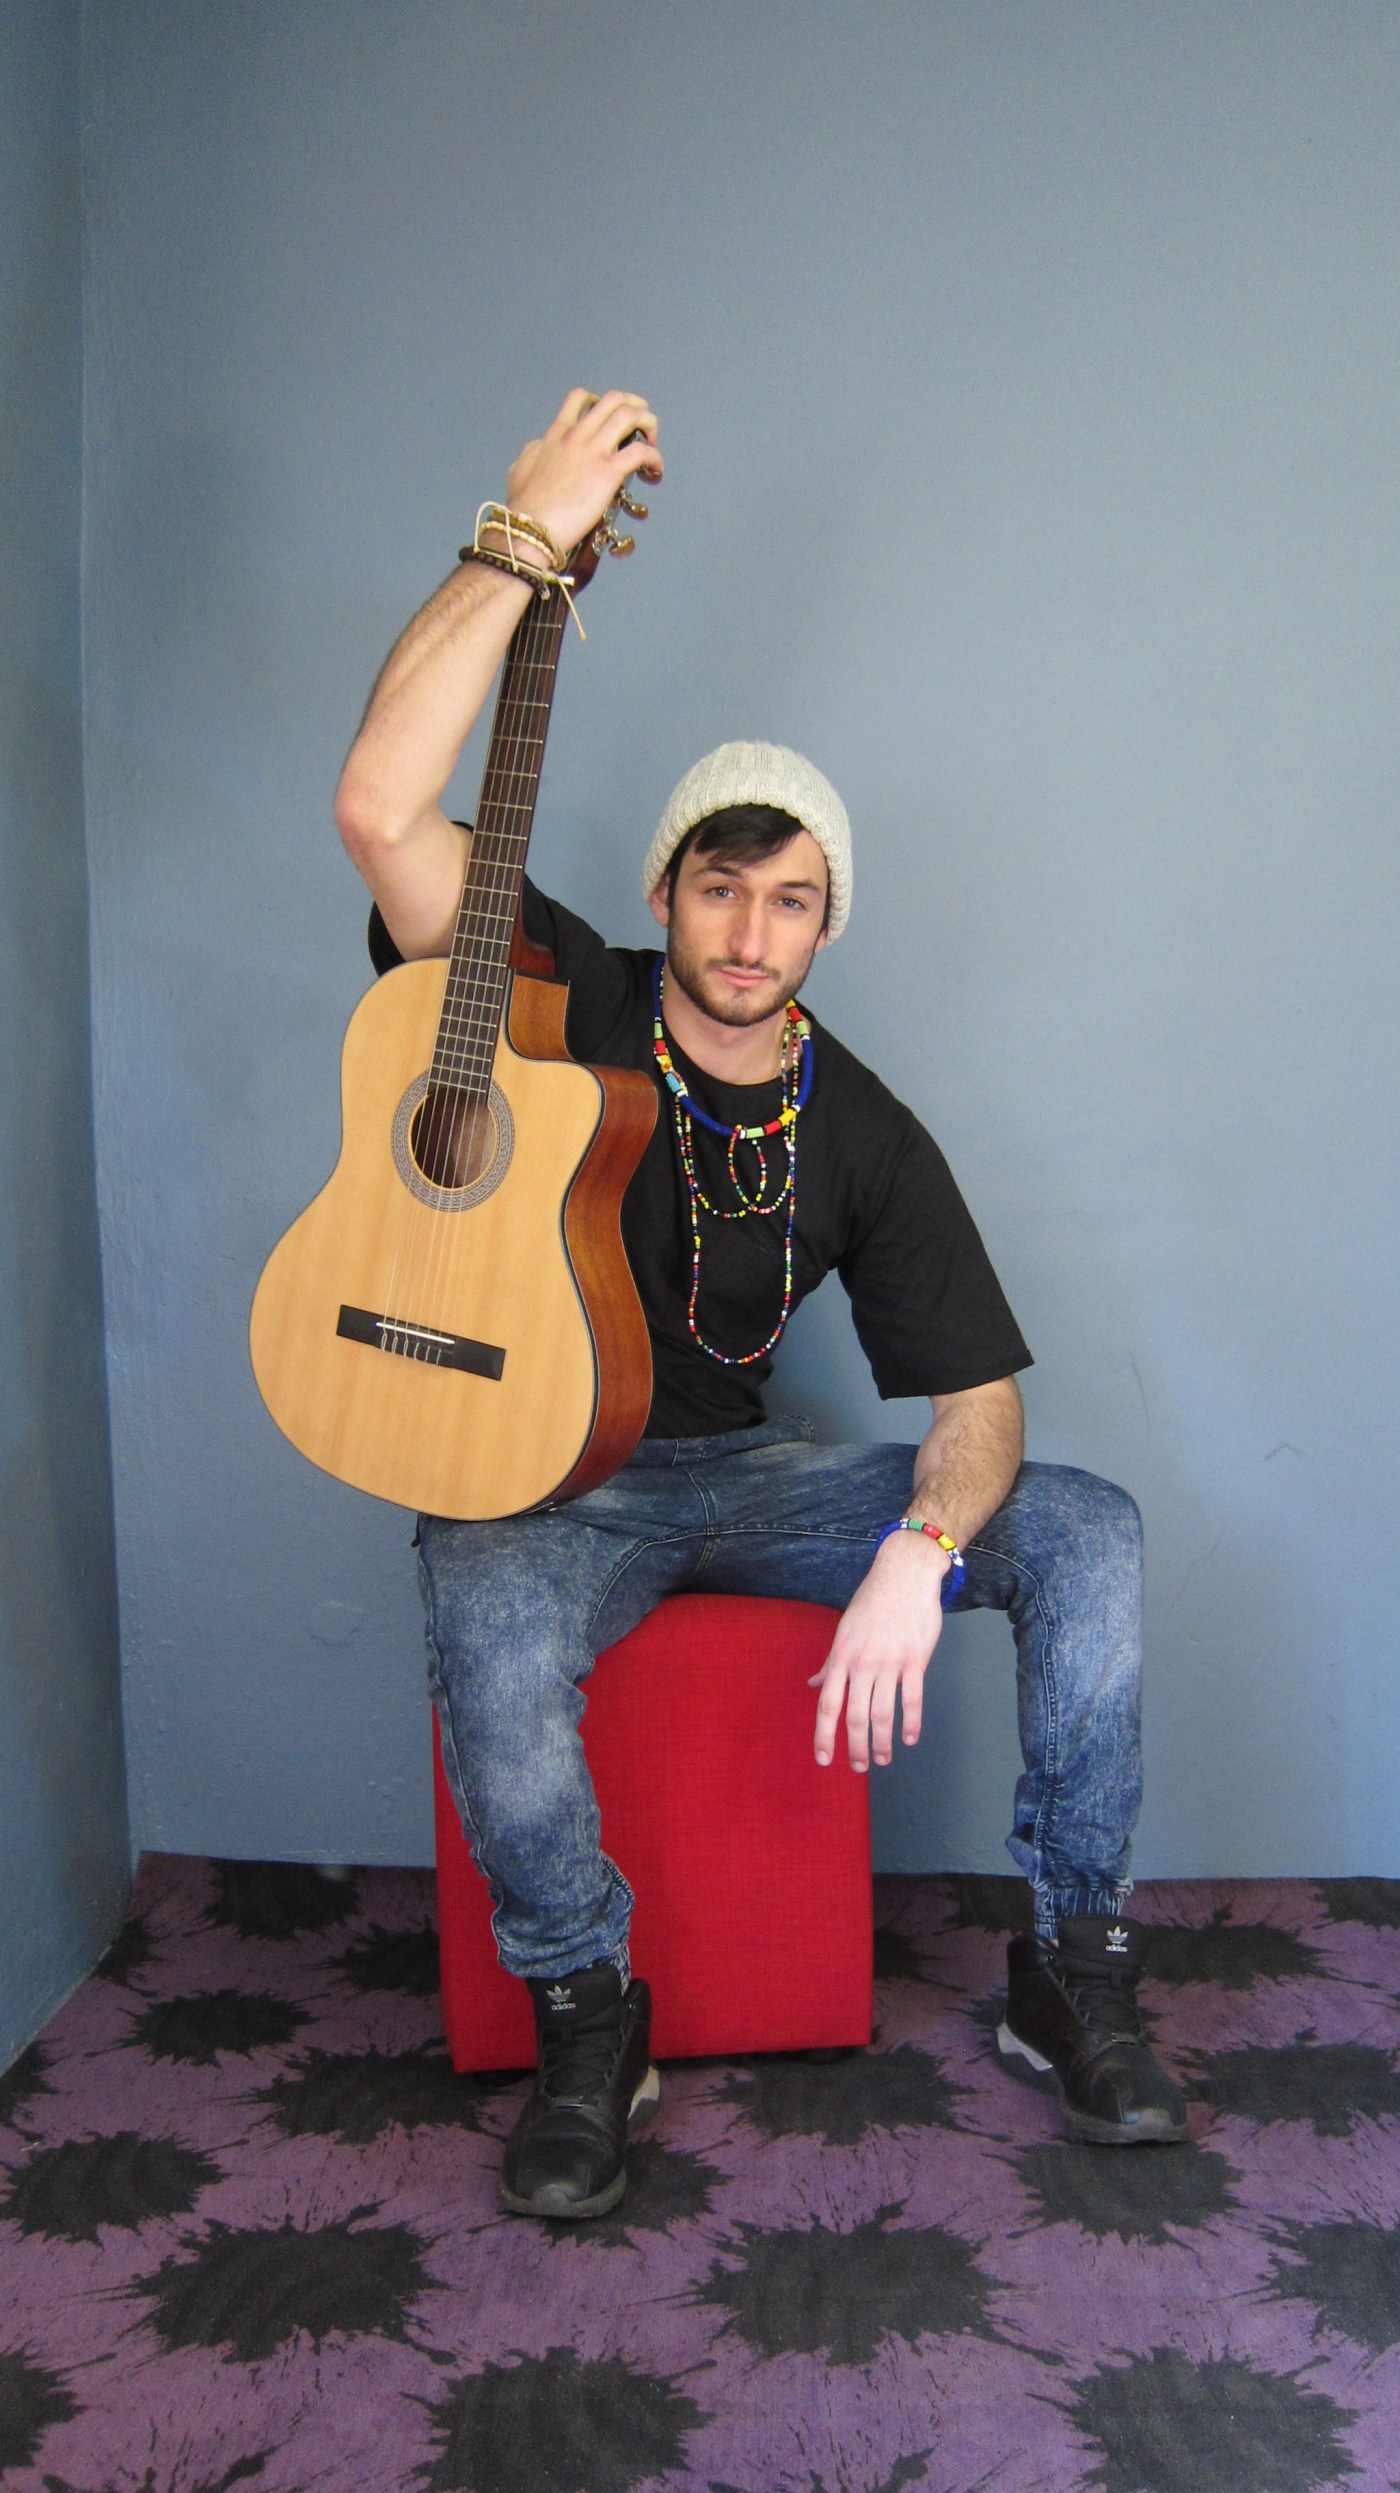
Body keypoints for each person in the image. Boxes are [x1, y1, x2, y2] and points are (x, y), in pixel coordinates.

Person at [335, 387, 1188, 2218]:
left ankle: (1075, 1964)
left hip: (761, 1481)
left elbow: (979, 1399)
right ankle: (590, 2011)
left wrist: (917, 1553)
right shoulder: (560, 991)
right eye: (720, 888)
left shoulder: (860, 1121)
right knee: (474, 1590)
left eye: (789, 901)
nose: (748, 933)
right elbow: (379, 803)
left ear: (825, 923)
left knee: (1091, 1529)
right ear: (669, 887)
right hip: (559, 1478)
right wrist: (516, 542)